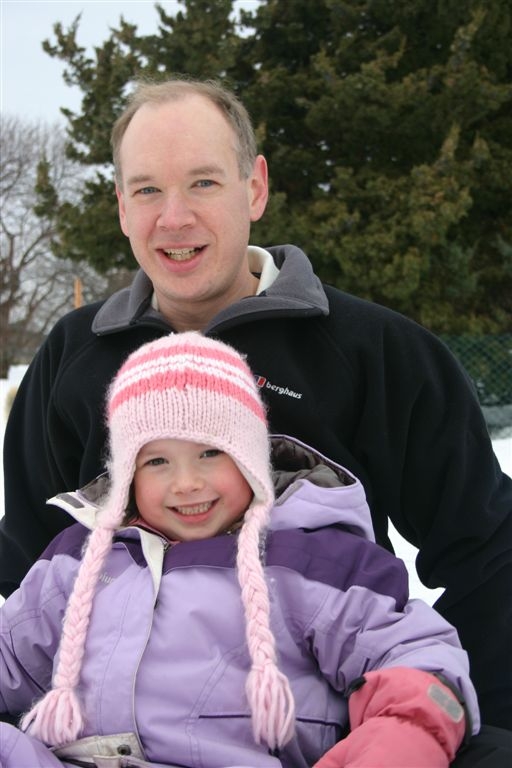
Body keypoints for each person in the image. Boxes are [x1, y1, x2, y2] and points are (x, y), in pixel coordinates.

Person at [1, 76, 511, 742]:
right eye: (148, 189)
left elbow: (488, 552)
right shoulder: (75, 354)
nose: (174, 217)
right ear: (122, 206)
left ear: (256, 187)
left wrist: (454, 727)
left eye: (204, 183)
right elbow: (34, 558)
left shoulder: (374, 349)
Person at [0, 332, 480, 768]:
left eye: (211, 453)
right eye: (158, 461)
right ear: (127, 473)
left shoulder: (312, 562)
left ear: (250, 456)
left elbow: (413, 655)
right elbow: (11, 656)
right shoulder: (78, 562)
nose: (186, 483)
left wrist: (401, 736)